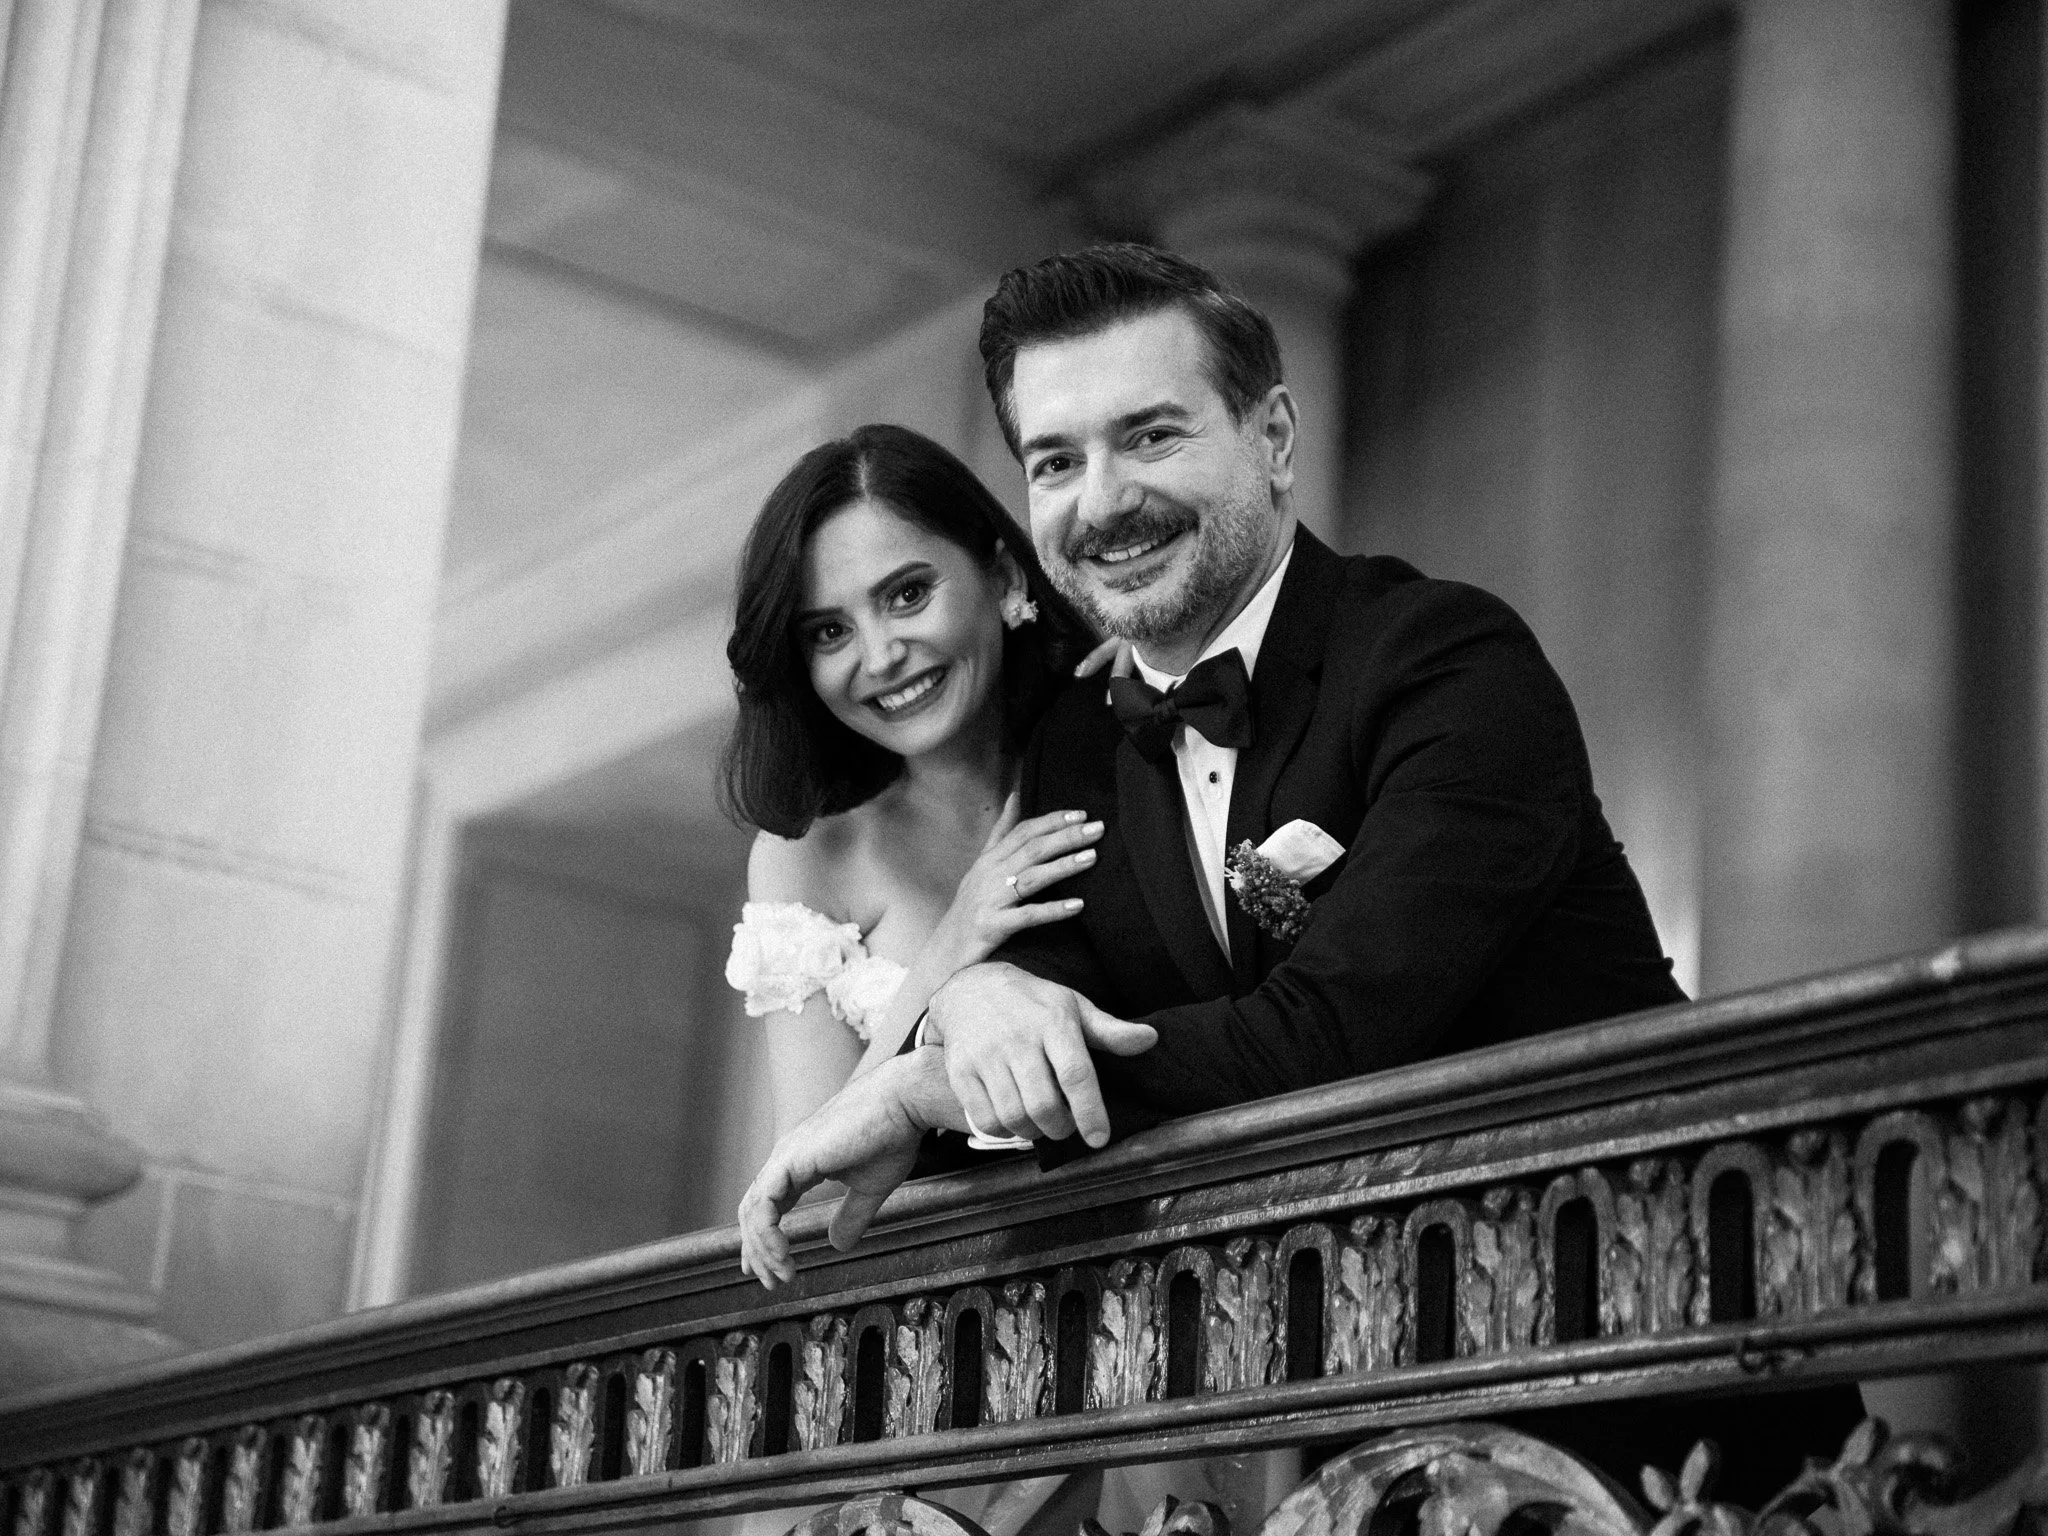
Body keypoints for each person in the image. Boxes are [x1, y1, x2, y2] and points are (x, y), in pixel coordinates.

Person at [735, 244, 1862, 1506]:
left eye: (1149, 436)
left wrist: (927, 1083)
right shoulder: (1076, 738)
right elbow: (1039, 1025)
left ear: (1270, 435)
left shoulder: (1449, 663)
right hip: (1357, 1424)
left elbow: (1331, 1039)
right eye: (1056, 460)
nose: (1099, 501)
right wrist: (974, 1004)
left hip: (1659, 1384)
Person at [720, 423, 1126, 1143]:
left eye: (907, 595)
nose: (880, 657)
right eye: (828, 632)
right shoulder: (811, 858)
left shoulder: (1120, 743)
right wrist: (954, 938)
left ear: (1002, 579)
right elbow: (809, 1192)